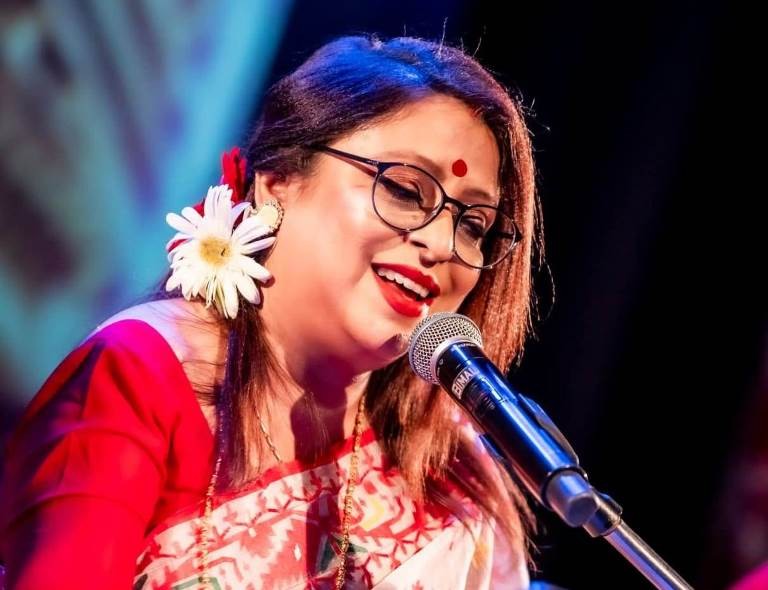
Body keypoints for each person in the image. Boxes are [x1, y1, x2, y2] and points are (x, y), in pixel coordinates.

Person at [0, 34, 543, 589]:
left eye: (473, 224)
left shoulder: (448, 470)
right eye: (405, 190)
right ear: (277, 182)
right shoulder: (139, 377)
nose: (443, 244)